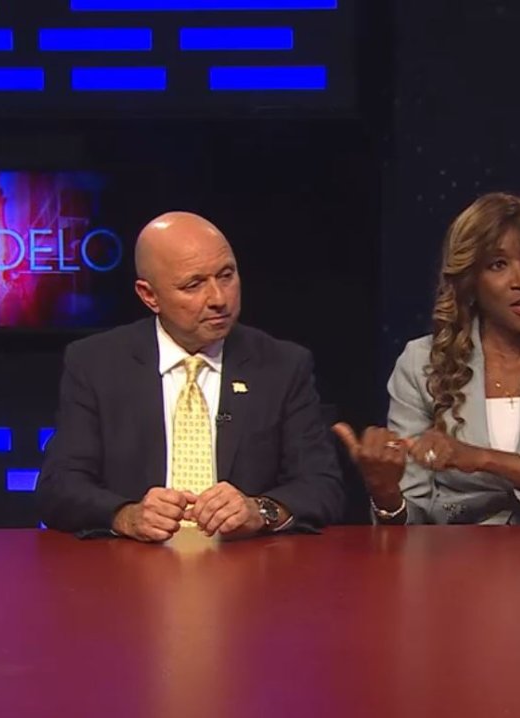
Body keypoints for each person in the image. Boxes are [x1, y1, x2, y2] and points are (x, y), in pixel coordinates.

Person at [36, 211, 344, 541]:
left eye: (226, 276)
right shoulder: (96, 363)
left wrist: (261, 510)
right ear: (149, 295)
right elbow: (60, 487)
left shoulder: (283, 365)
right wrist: (126, 515)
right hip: (134, 564)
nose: (219, 299)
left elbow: (322, 486)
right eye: (193, 285)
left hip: (247, 563)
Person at [334, 192, 520, 524]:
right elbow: (412, 518)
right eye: (498, 265)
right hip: (455, 551)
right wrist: (385, 492)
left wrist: (481, 458)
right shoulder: (421, 364)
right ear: (469, 280)